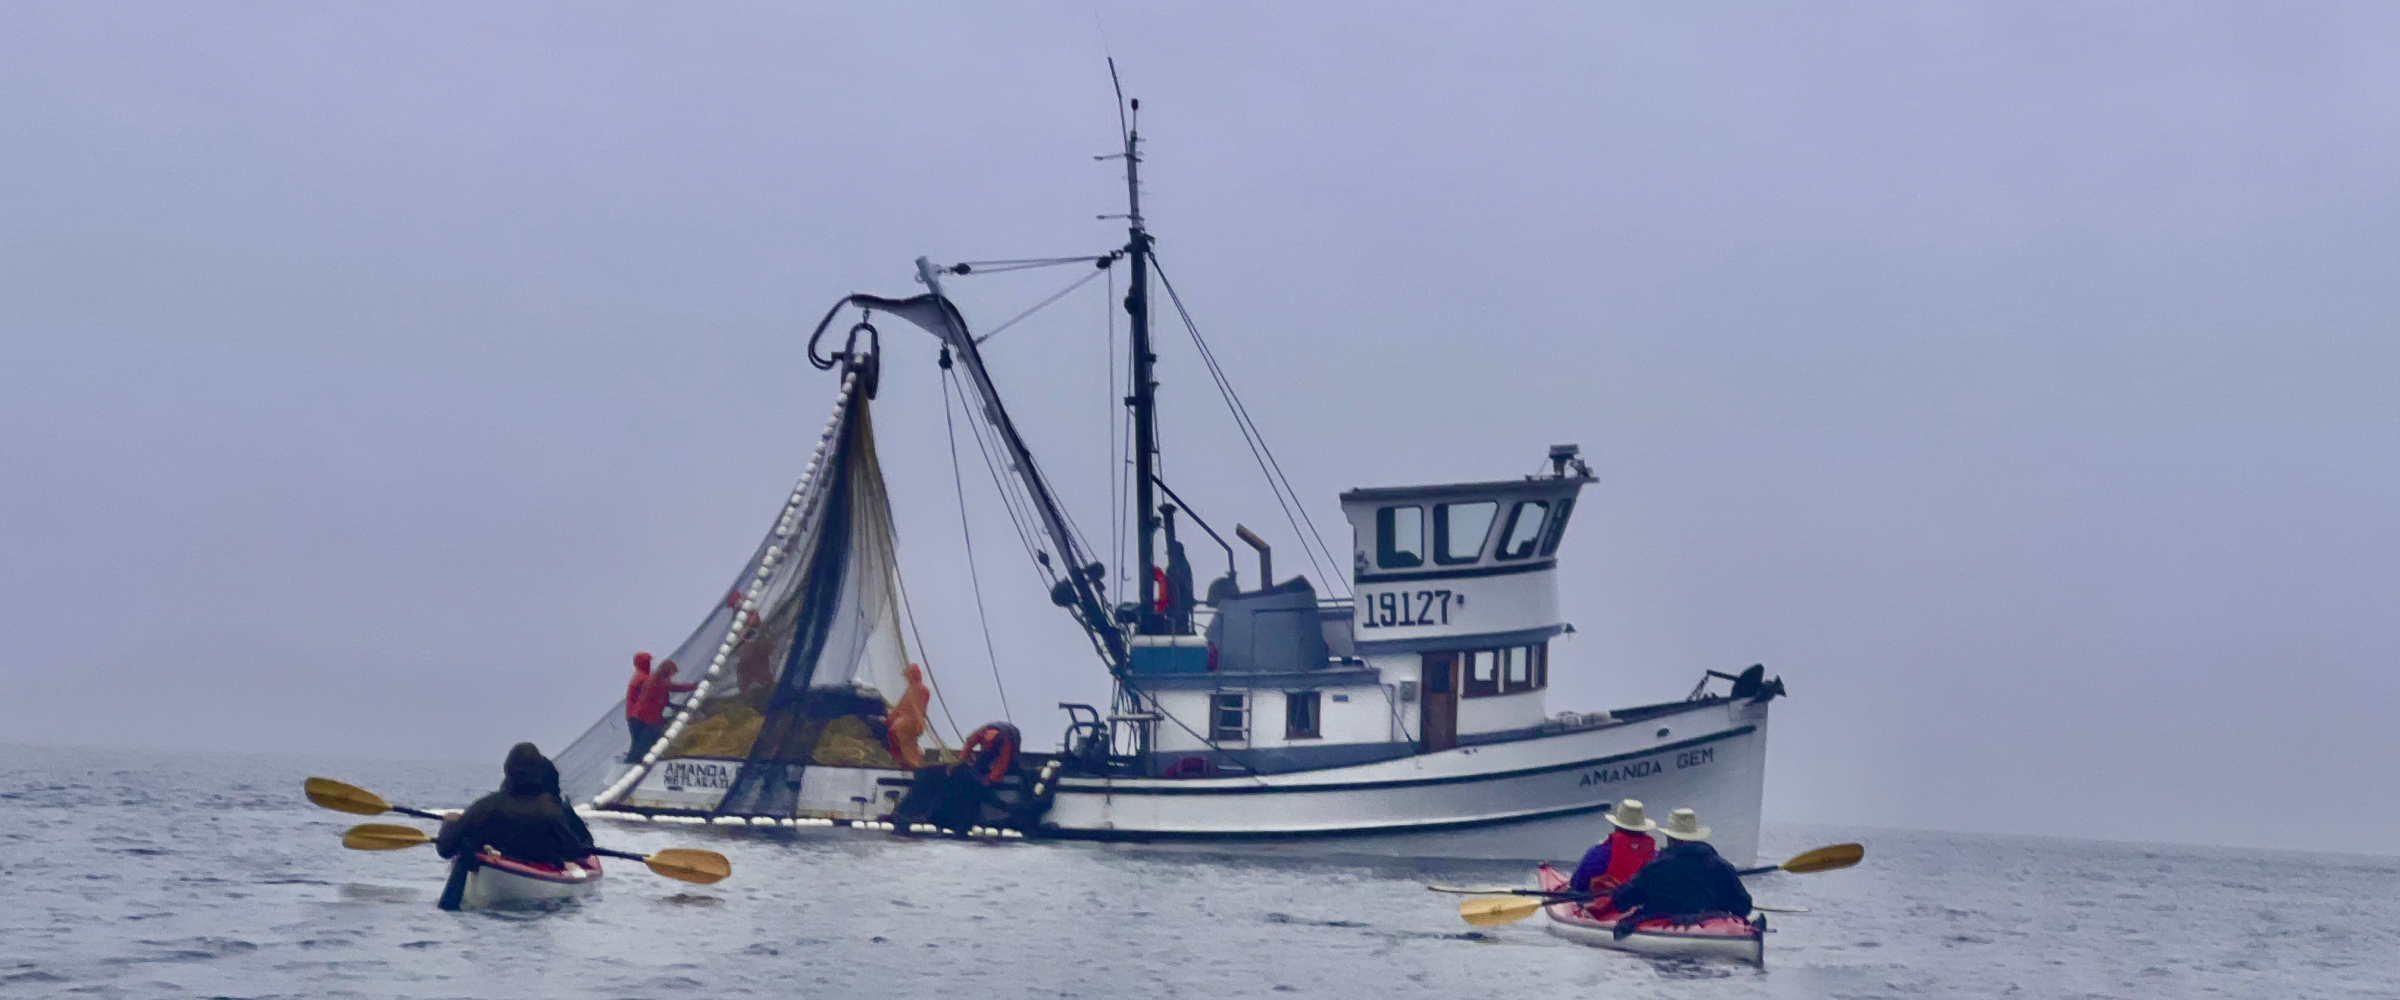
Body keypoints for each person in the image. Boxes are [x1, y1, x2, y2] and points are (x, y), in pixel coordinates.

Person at [434, 742, 597, 910]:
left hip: (488, 873)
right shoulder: (552, 811)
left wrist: (449, 823)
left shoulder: (485, 807)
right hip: (537, 887)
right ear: (540, 773)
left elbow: (445, 848)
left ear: (507, 771)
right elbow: (575, 851)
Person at [1603, 807, 1752, 938]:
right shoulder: (1722, 865)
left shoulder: (1657, 867)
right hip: (1714, 926)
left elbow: (1622, 900)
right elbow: (1743, 906)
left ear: (1671, 838)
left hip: (1667, 927)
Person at [1567, 799, 1659, 914]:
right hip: (1641, 907)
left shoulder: (1599, 852)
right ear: (1643, 829)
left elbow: (1578, 884)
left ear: (1616, 825)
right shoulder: (1657, 857)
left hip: (1606, 908)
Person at [629, 658, 698, 757]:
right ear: (667, 670)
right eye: (671, 672)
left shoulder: (657, 680)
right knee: (650, 740)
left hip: (646, 718)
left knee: (647, 740)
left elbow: (664, 701)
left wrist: (676, 707)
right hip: (647, 719)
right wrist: (695, 686)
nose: (672, 675)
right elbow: (676, 688)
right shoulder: (659, 680)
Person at [624, 652, 654, 762]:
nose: (649, 664)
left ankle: (633, 761)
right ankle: (631, 764)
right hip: (639, 717)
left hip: (633, 716)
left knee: (638, 742)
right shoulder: (643, 678)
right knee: (641, 743)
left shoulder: (639, 677)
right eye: (647, 662)